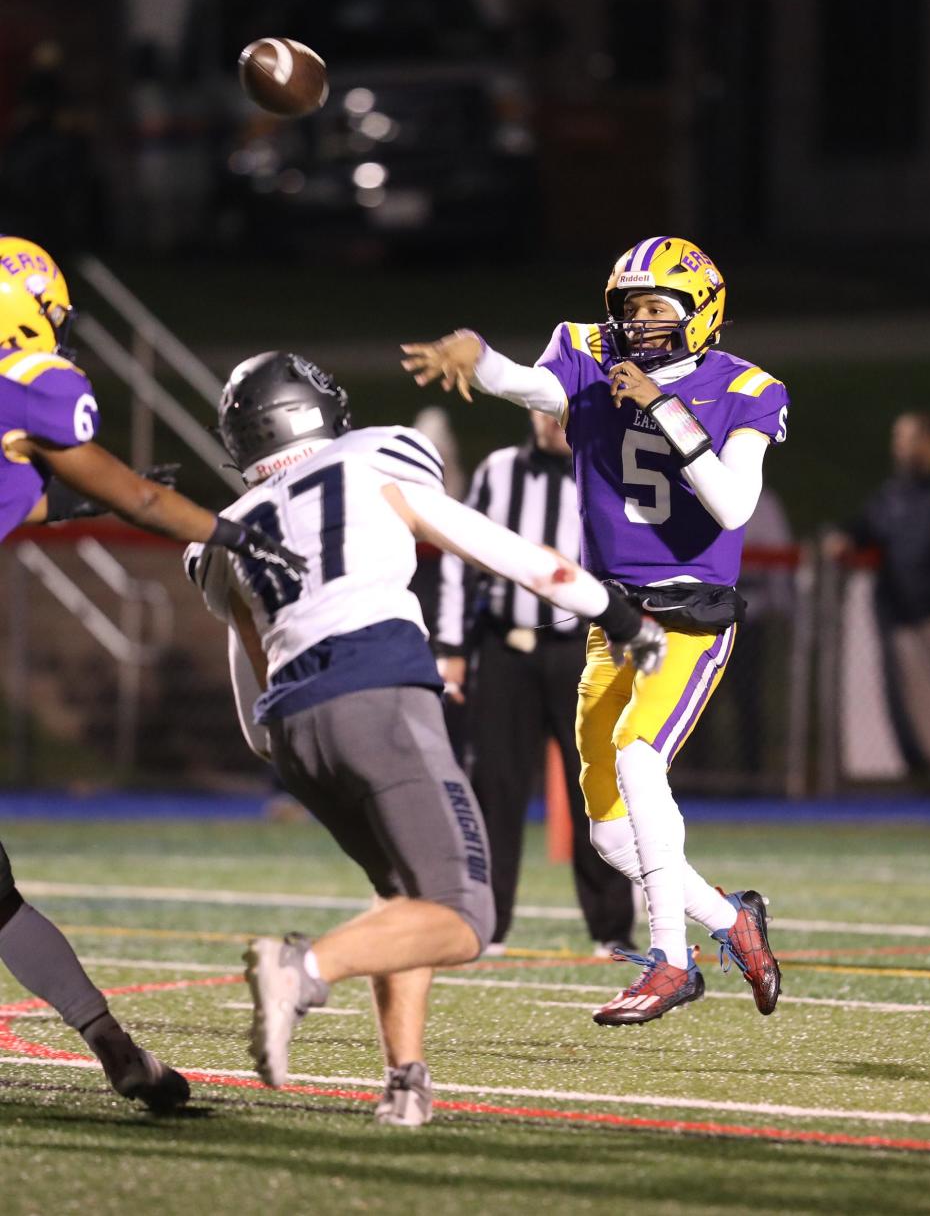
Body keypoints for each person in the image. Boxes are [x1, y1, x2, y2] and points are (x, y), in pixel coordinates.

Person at [184, 350, 666, 1124]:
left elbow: (254, 719)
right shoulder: (378, 454)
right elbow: (501, 551)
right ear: (316, 408)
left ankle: (404, 1077)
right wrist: (617, 615)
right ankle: (301, 968)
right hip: (377, 693)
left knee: (403, 896)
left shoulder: (227, 532)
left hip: (295, 731)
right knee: (466, 919)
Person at [401, 234, 789, 1025]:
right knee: (613, 836)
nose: (639, 322)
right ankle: (731, 920)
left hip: (689, 616)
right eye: (629, 307)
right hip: (614, 619)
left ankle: (672, 964)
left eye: (656, 307)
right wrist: (482, 359)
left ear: (700, 310)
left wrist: (658, 405)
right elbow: (537, 390)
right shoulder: (586, 349)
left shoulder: (748, 388)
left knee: (641, 762)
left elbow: (733, 505)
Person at [0, 235, 305, 1110]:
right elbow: (139, 498)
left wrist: (71, 500)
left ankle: (115, 1045)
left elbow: (27, 486)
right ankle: (112, 1045)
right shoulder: (39, 383)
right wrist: (235, 532)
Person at [436, 409, 635, 954]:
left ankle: (612, 928)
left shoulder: (609, 471)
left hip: (581, 650)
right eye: (543, 408)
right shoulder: (497, 470)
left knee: (593, 784)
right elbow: (459, 554)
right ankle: (488, 925)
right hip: (505, 647)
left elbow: (628, 559)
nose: (552, 421)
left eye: (563, 410)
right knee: (495, 786)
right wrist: (452, 646)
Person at [823, 412, 930, 792]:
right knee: (925, 710)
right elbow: (864, 527)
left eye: (906, 438)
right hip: (908, 617)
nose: (898, 447)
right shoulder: (895, 492)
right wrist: (844, 538)